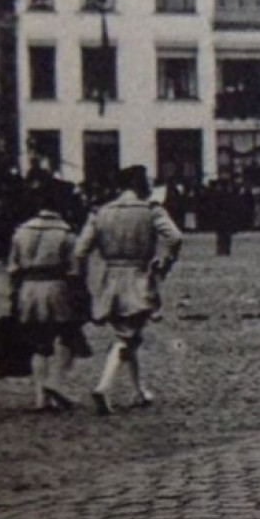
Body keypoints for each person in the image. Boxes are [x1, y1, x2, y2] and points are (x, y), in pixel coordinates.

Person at [75, 165, 183, 415]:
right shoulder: (150, 210)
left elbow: (80, 250)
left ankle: (139, 391)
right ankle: (104, 386)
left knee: (129, 333)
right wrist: (165, 261)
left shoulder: (101, 212)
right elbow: (175, 237)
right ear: (139, 184)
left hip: (109, 278)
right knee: (126, 336)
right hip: (138, 276)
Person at [6, 188, 90, 411]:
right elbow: (75, 270)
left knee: (39, 343)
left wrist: (15, 294)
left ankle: (40, 398)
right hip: (57, 289)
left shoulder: (20, 232)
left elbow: (13, 268)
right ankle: (55, 383)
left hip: (27, 289)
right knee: (71, 337)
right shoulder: (67, 235)